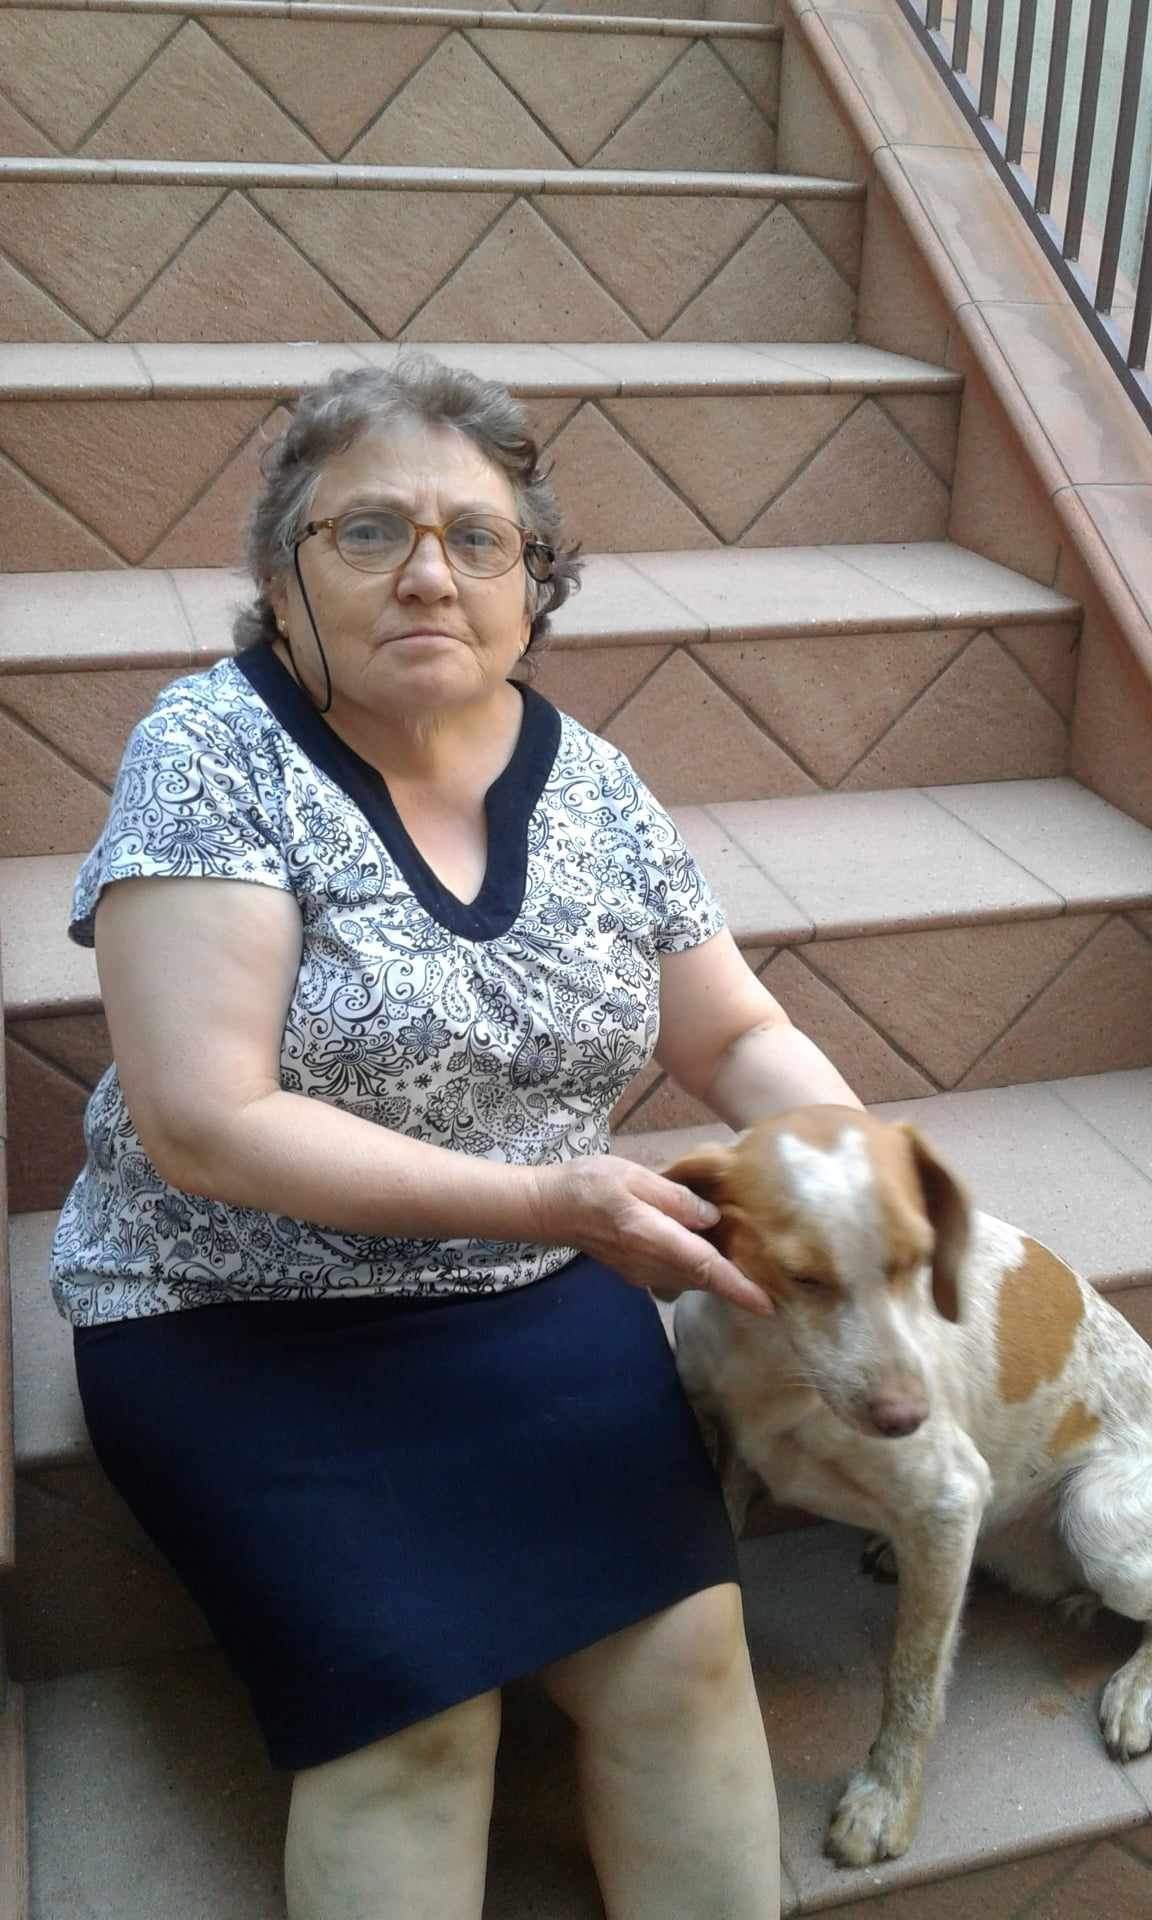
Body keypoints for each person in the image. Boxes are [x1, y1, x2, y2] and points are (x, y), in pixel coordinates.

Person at [53, 355, 863, 1920]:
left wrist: (857, 1169)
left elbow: (733, 1034)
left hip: (532, 1293)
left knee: (691, 1668)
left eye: (478, 539)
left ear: (532, 586)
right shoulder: (212, 751)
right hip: (235, 1310)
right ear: (283, 577)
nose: (429, 573)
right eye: (369, 532)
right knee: (416, 1733)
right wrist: (552, 1202)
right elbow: (207, 1123)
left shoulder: (596, 786)